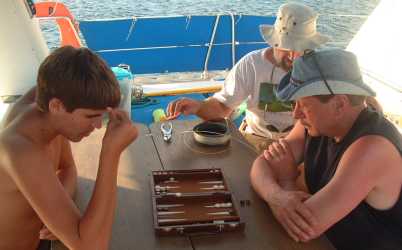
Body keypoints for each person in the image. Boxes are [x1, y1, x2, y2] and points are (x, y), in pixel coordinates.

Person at [250, 49, 402, 250]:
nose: (295, 114)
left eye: (302, 105)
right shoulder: (315, 124)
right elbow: (261, 164)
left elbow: (305, 227)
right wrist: (275, 196)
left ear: (339, 105)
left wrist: (286, 180)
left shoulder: (372, 148)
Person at [0, 46, 138, 250]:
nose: (99, 125)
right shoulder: (20, 148)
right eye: (91, 116)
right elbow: (92, 247)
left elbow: (67, 169)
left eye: (102, 115)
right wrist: (111, 152)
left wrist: (55, 215)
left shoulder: (50, 111)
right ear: (57, 106)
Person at [166, 2, 329, 152]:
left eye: (300, 49)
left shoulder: (322, 69)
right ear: (274, 42)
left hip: (302, 144)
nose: (293, 57)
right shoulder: (252, 64)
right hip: (255, 139)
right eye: (287, 48)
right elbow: (223, 107)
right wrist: (198, 106)